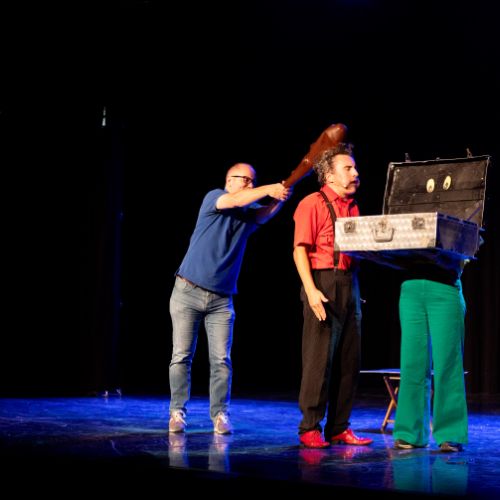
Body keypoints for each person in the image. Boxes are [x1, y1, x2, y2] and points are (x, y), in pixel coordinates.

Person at [169, 163, 292, 435]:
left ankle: (220, 415)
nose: (250, 184)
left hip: (221, 300)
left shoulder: (247, 215)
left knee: (221, 360)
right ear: (229, 181)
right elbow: (236, 200)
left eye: (253, 180)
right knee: (181, 356)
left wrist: (281, 197)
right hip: (188, 292)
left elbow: (264, 214)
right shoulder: (215, 198)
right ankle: (177, 412)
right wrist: (269, 188)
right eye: (245, 180)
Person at [292, 143, 373, 448]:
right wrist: (311, 290)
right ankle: (310, 427)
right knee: (319, 359)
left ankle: (339, 427)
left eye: (354, 167)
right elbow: (299, 250)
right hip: (322, 282)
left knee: (349, 360)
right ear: (329, 175)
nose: (355, 172)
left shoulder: (352, 206)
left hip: (350, 283)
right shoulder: (311, 203)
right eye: (348, 168)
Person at [393, 256, 468, 452]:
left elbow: (470, 242)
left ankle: (451, 433)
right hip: (411, 287)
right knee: (412, 364)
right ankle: (410, 432)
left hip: (445, 284)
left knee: (448, 365)